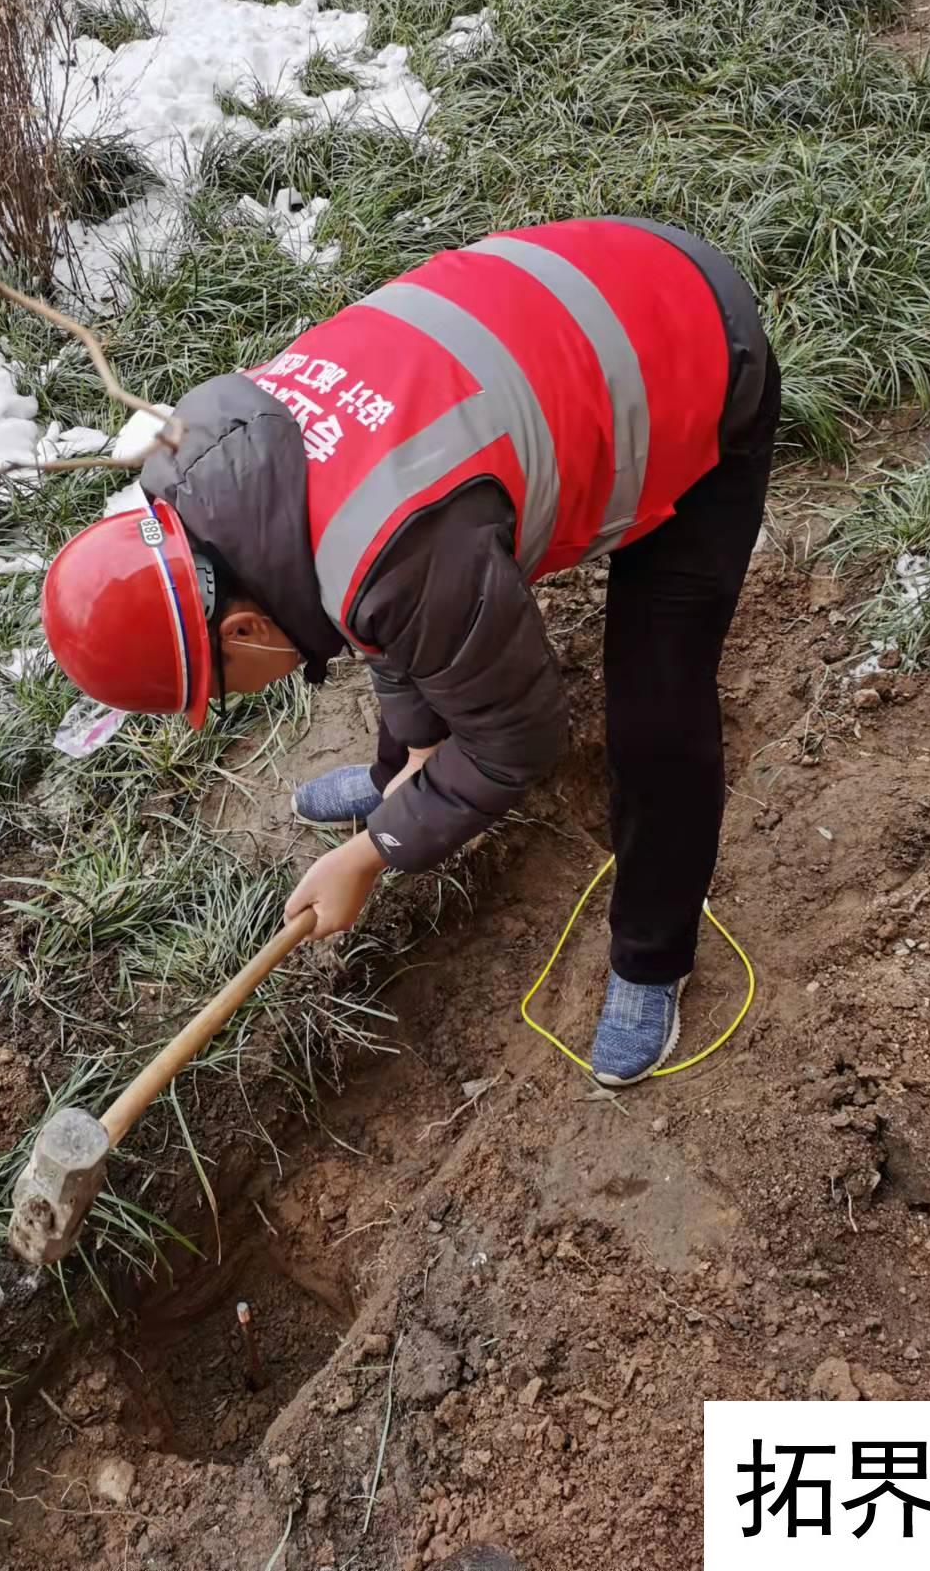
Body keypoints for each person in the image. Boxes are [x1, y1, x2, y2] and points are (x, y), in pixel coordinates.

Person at [40, 218, 778, 1085]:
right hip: (574, 288)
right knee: (418, 618)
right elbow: (366, 601)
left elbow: (518, 740)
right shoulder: (217, 470)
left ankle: (653, 955)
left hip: (690, 348)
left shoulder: (395, 553)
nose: (241, 694)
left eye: (226, 685)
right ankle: (403, 773)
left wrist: (371, 854)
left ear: (241, 631)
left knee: (656, 709)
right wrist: (418, 755)